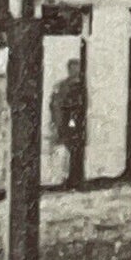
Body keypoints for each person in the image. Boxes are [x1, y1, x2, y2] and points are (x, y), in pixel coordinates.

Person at [49, 57, 86, 187]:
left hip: (75, 122)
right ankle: (70, 178)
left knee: (74, 150)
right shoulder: (65, 86)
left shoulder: (79, 85)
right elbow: (56, 104)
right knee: (69, 149)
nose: (76, 71)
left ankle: (73, 177)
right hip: (69, 121)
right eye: (74, 68)